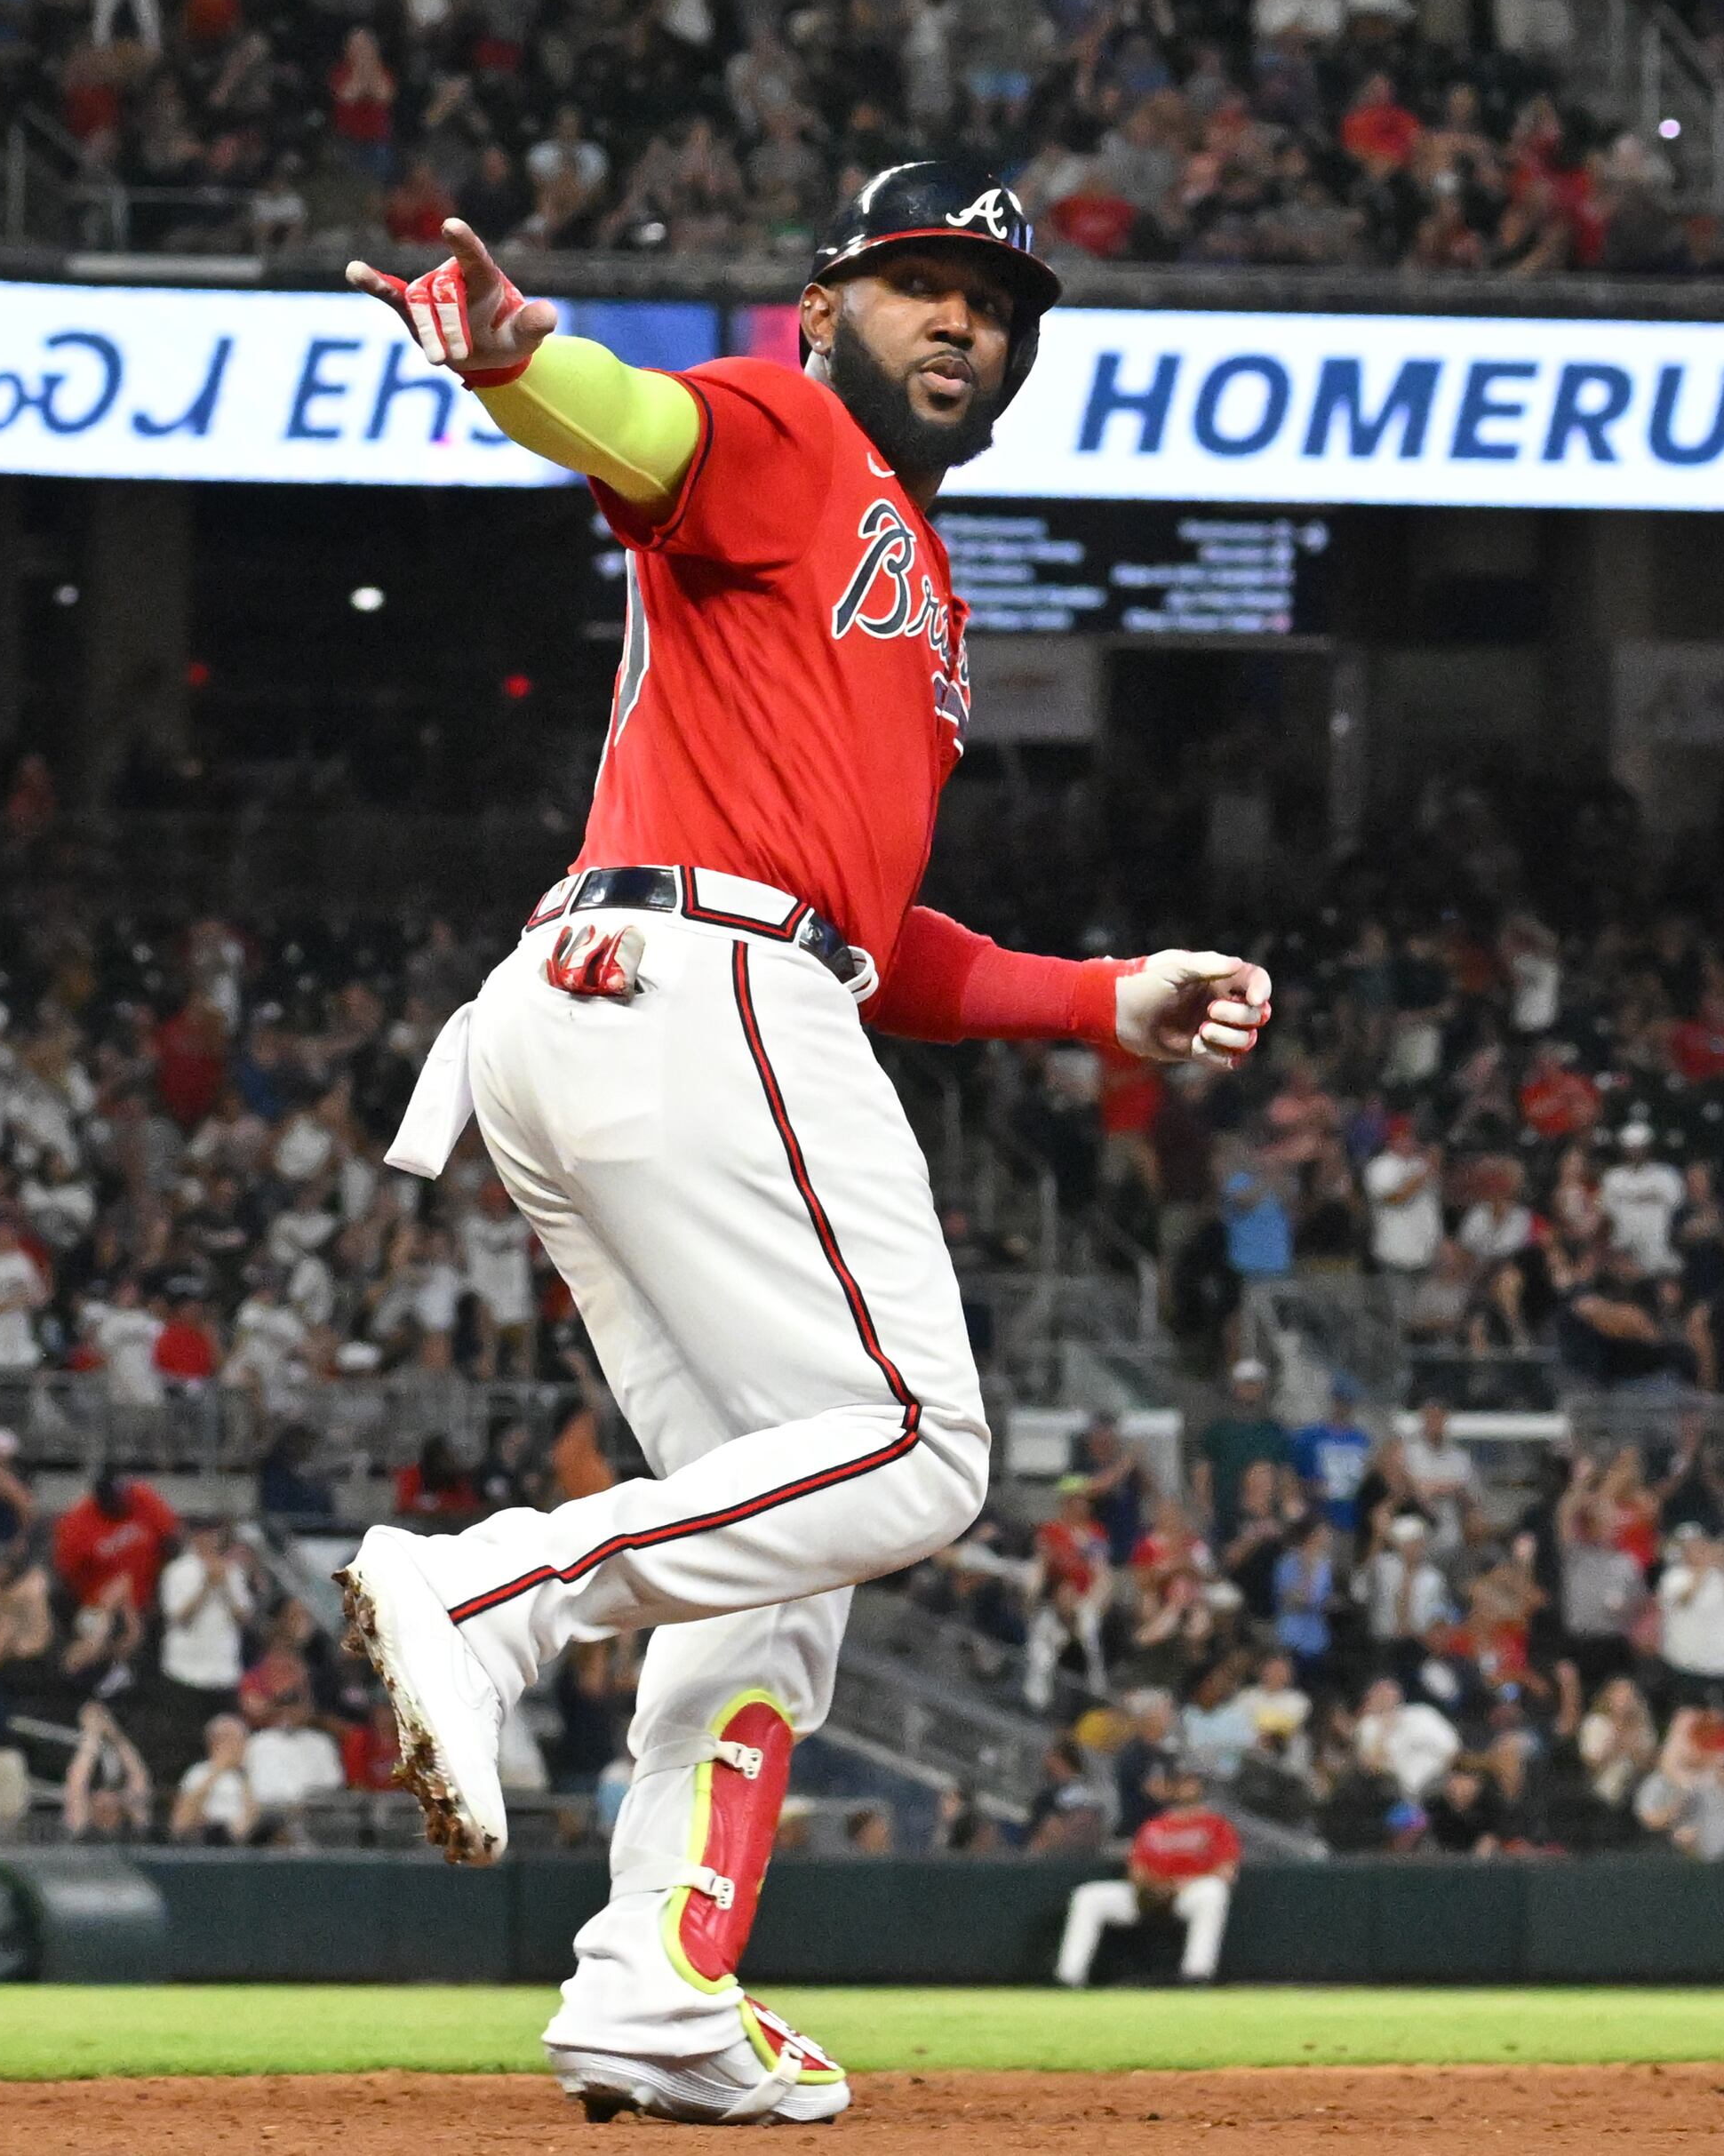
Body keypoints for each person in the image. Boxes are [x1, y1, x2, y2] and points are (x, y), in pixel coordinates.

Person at [335, 172, 1274, 2128]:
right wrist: (515, 363)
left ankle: (658, 1985)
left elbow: (877, 930)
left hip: (630, 990)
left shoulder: (916, 589)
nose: (962, 323)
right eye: (920, 283)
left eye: (993, 305)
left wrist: (1105, 996)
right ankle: (493, 1595)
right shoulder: (789, 427)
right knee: (920, 1450)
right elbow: (638, 427)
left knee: (785, 1538)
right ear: (826, 306)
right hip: (699, 978)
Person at [1053, 1758, 1240, 1988]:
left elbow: (1225, 1872)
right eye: (1182, 1781)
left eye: (1192, 1781)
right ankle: (1069, 1977)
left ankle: (1197, 1974)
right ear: (1171, 1786)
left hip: (1187, 1895)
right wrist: (1151, 1887)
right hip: (1150, 1895)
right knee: (1088, 1895)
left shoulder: (1216, 1825)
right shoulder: (1154, 1826)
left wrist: (1180, 1885)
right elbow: (1137, 1870)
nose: (1187, 1786)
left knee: (1213, 1891)